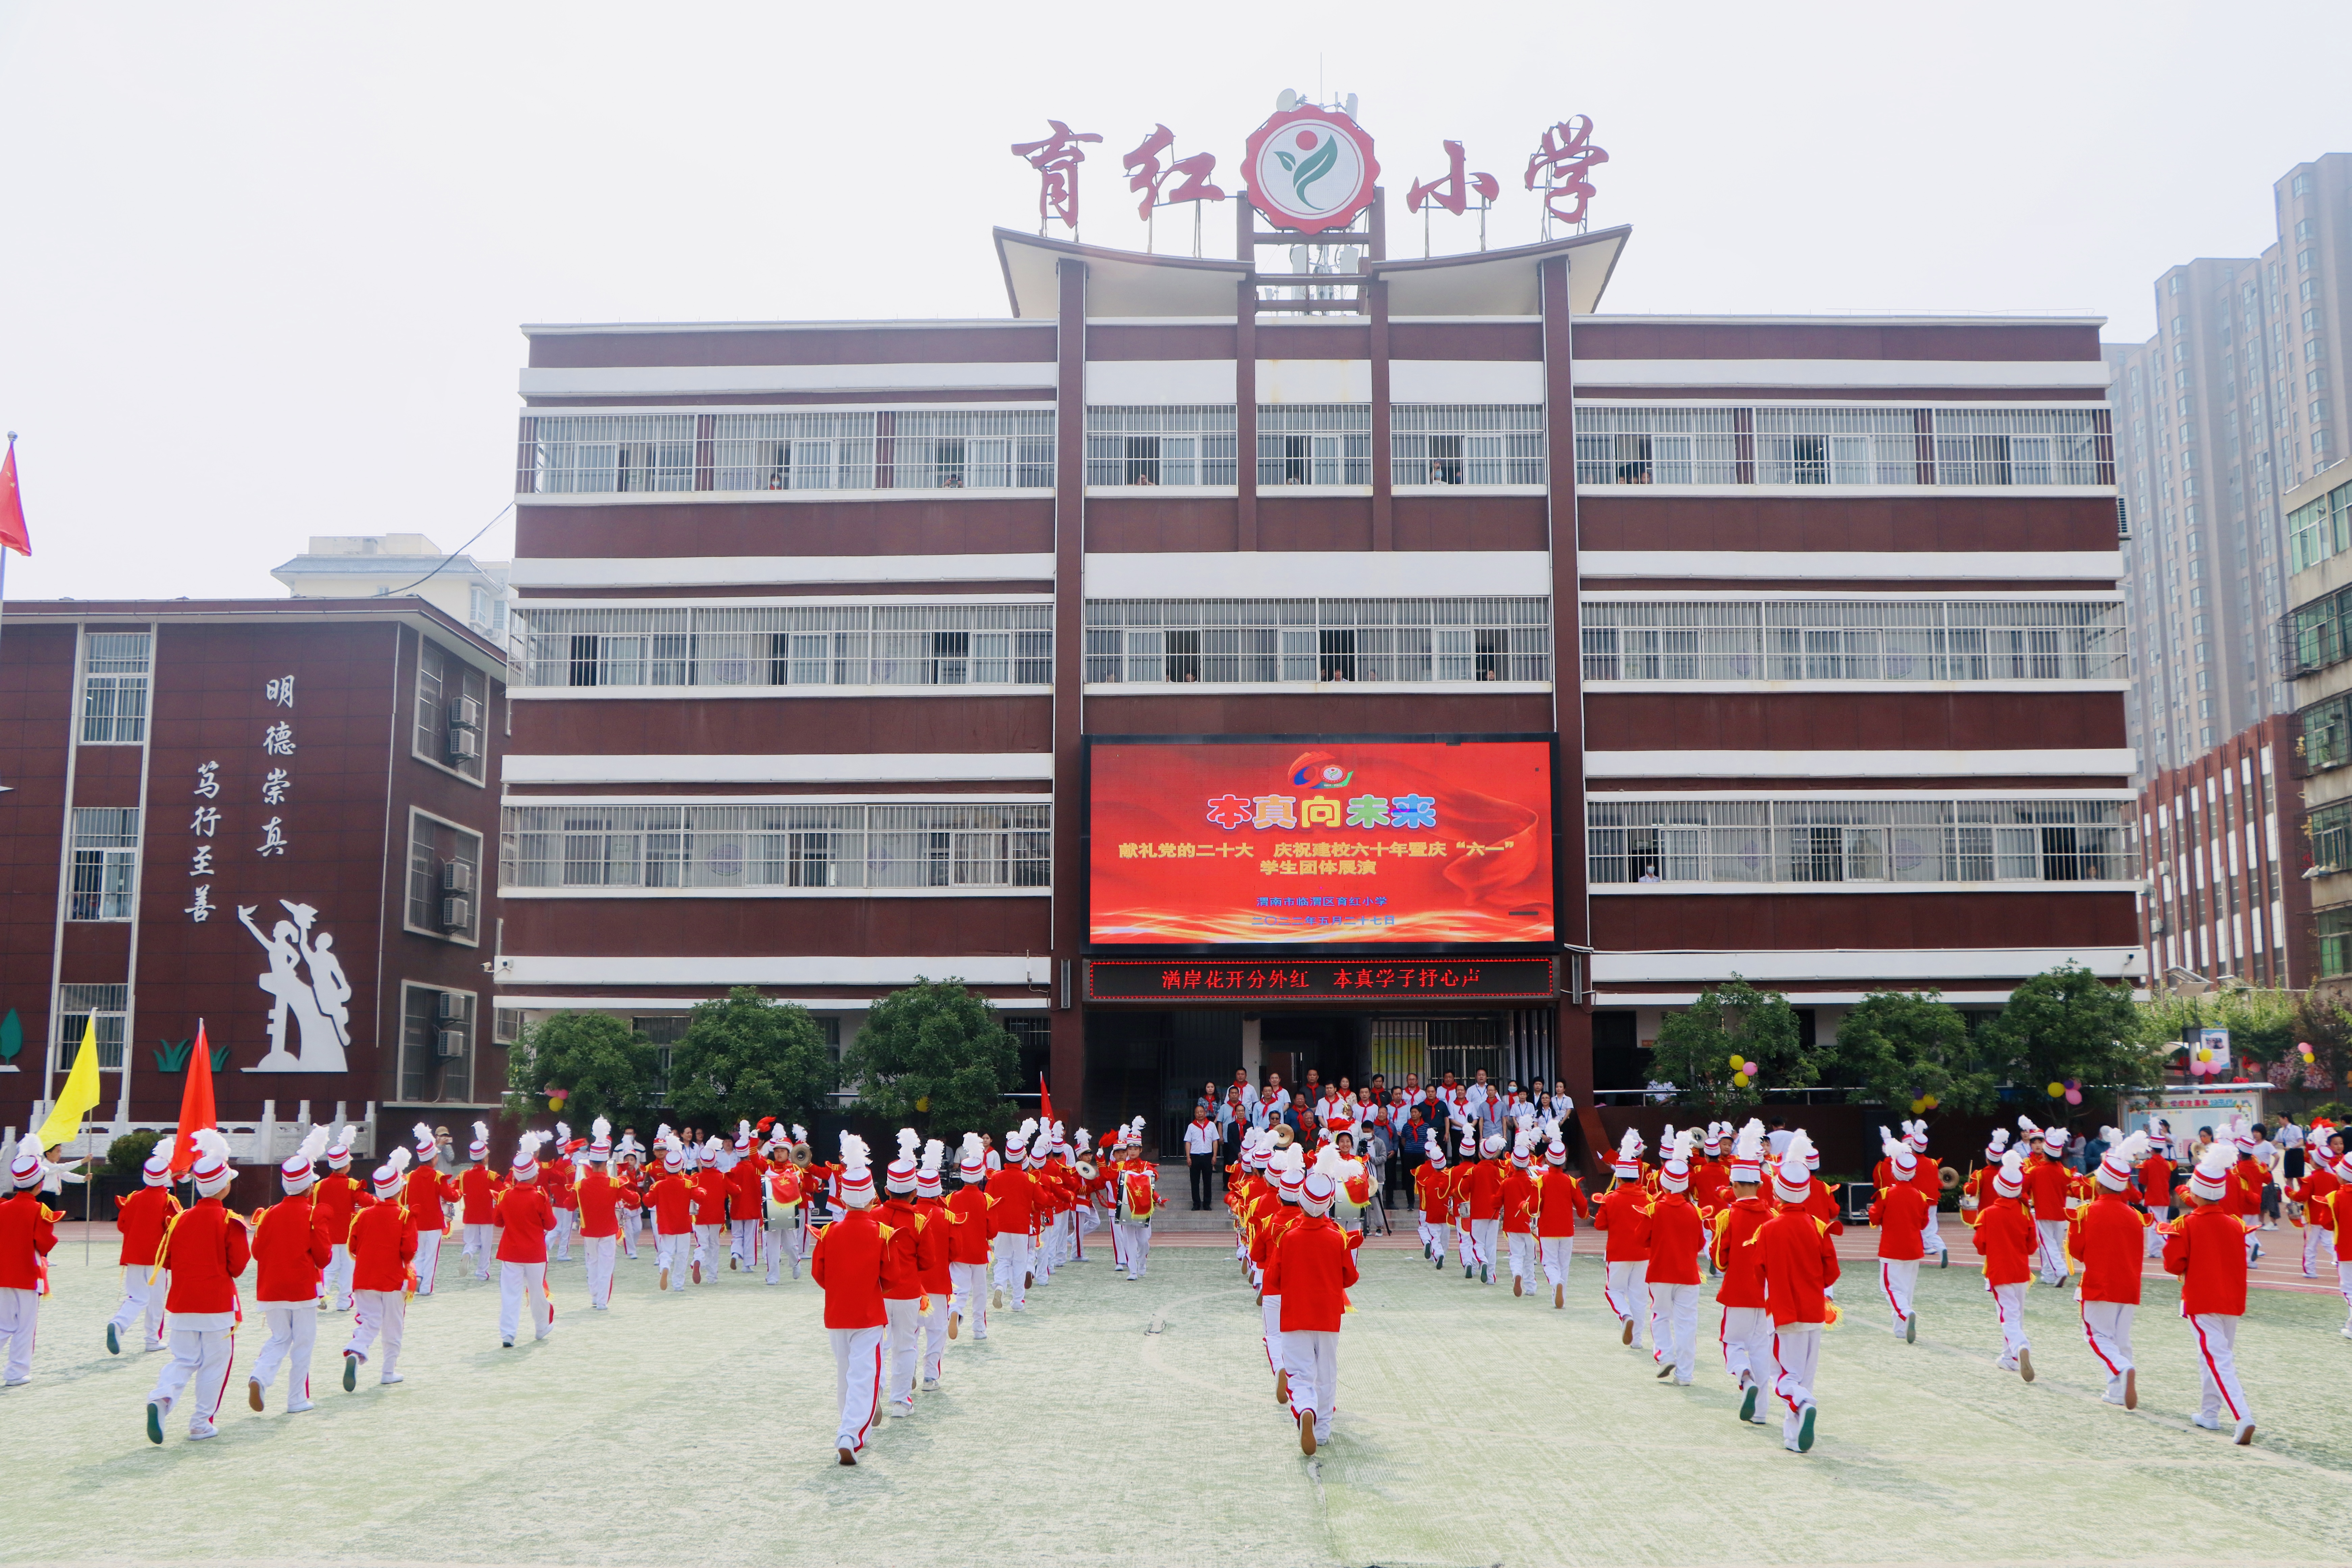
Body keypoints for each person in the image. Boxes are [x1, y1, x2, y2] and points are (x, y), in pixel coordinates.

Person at [144, 1130, 248, 1444]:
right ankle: (201, 1423)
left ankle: (162, 1397)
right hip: (217, 1304)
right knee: (215, 1364)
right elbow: (239, 1266)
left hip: (181, 1303)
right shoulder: (230, 1220)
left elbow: (167, 1259)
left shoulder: (180, 1219)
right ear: (225, 1186)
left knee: (183, 1360)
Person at [1269, 1151, 1361, 1456]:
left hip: (1295, 1314)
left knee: (1300, 1374)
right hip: (1328, 1316)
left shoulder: (1288, 1237)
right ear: (1329, 1203)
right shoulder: (1337, 1237)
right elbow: (1350, 1278)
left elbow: (1275, 1279)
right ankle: (1321, 1430)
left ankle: (1305, 1409)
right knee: (1327, 1372)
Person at [2166, 1142, 2257, 1443]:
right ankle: (2210, 1414)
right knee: (2213, 1357)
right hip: (2231, 1301)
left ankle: (2243, 1416)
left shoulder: (2187, 1223)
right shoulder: (2234, 1224)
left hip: (2202, 1300)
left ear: (2196, 1193)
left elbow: (2173, 1264)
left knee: (2218, 1360)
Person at [1756, 1131, 1839, 1454]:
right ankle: (1794, 1437)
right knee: (1805, 1375)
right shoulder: (1817, 1226)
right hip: (1814, 1312)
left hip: (1783, 1313)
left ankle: (1803, 1405)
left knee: (1783, 1377)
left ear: (1777, 1191)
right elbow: (1831, 1273)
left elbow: (1758, 1271)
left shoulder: (1768, 1229)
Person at [811, 1134, 886, 1465]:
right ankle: (850, 1433)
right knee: (864, 1376)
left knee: (845, 1373)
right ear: (871, 1196)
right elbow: (891, 1277)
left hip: (837, 1313)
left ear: (842, 1197)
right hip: (869, 1314)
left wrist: (840, 1289)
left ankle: (850, 1428)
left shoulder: (830, 1232)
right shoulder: (880, 1232)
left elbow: (819, 1273)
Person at [247, 1127, 333, 1414]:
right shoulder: (312, 1214)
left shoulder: (268, 1214)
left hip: (271, 1289)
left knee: (280, 1338)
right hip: (302, 1288)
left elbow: (257, 1253)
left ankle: (260, 1376)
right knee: (303, 1344)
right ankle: (296, 1399)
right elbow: (323, 1257)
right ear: (310, 1187)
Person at [2076, 1131, 2151, 1408]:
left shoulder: (2088, 1212)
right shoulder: (2135, 1215)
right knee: (2121, 1339)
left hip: (2099, 1283)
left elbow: (2077, 1251)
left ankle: (2121, 1368)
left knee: (2096, 1336)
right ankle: (2117, 1391)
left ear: (2099, 1185)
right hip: (2129, 1286)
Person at [1712, 1120, 1776, 1423]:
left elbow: (1720, 1261)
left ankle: (1744, 1376)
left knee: (1733, 1343)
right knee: (1762, 1349)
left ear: (1734, 1186)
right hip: (1766, 1295)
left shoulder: (1729, 1216)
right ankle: (1761, 1412)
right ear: (1760, 1186)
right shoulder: (1773, 1217)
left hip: (1737, 1291)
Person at [340, 1150, 419, 1391]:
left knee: (370, 1321)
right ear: (399, 1190)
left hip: (364, 1278)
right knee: (393, 1325)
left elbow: (353, 1247)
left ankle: (356, 1350)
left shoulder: (363, 1215)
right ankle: (388, 1372)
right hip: (393, 1279)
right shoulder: (405, 1216)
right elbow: (409, 1251)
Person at [877, 1131, 935, 1418]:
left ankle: (874, 1393)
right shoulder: (919, 1221)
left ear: (887, 1190)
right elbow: (928, 1261)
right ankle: (900, 1402)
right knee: (905, 1346)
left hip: (877, 1291)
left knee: (876, 1346)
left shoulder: (873, 1216)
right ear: (915, 1193)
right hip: (908, 1291)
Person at [1, 1135, 64, 1388]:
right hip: (28, 1275)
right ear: (40, 1185)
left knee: (4, 1325)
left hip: (3, 1275)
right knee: (25, 1327)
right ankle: (16, 1373)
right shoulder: (39, 1210)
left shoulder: (2, 1208)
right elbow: (45, 1244)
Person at [1646, 1132, 1707, 1384]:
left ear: (1663, 1182)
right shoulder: (1694, 1211)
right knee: (1687, 1324)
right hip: (1688, 1274)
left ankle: (1665, 1355)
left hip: (1660, 1271)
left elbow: (1641, 1238)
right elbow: (1701, 1244)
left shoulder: (1655, 1208)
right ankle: (1685, 1374)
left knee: (1661, 1315)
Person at [106, 1146, 178, 1356]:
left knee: (137, 1296)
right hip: (157, 1259)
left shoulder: (134, 1198)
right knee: (156, 1299)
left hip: (134, 1256)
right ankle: (152, 1339)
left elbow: (122, 1225)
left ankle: (119, 1323)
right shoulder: (169, 1201)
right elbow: (175, 1230)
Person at [1974, 1149, 2037, 1381]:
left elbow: (1980, 1245)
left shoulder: (1988, 1214)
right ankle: (2009, 1357)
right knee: (2016, 1315)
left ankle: (2020, 1346)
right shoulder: (2025, 1212)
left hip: (1999, 1272)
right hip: (2021, 1271)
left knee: (2008, 1317)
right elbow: (2032, 1246)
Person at [1867, 1127, 1930, 1342]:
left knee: (1891, 1289)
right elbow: (1924, 1223)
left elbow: (1875, 1217)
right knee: (1906, 1290)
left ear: (1894, 1172)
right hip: (1914, 1249)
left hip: (1891, 1249)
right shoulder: (1920, 1196)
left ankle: (1905, 1313)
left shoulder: (1886, 1194)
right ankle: (1901, 1329)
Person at [495, 1132, 556, 1348]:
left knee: (510, 1294)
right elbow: (551, 1224)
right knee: (537, 1291)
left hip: (511, 1252)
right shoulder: (539, 1197)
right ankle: (541, 1327)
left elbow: (498, 1221)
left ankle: (508, 1334)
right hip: (535, 1253)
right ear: (533, 1176)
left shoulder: (506, 1196)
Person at [1594, 1130, 1652, 1349]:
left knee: (1614, 1291)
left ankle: (1625, 1315)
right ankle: (1637, 1340)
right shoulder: (1648, 1197)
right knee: (1639, 1296)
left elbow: (1600, 1225)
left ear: (1618, 1178)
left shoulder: (1611, 1198)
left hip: (1618, 1252)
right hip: (1643, 1254)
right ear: (1637, 1177)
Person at [578, 1121, 639, 1310]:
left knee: (592, 1262)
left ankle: (595, 1296)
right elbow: (634, 1199)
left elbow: (569, 1204)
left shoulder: (581, 1185)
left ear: (591, 1163)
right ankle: (602, 1301)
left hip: (589, 1230)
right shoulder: (614, 1183)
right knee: (606, 1265)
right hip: (608, 1229)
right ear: (606, 1163)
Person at [401, 1121, 459, 1297]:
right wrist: (459, 1192)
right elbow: (451, 1196)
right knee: (431, 1255)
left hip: (417, 1221)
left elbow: (403, 1199)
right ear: (434, 1159)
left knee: (420, 1253)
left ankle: (417, 1277)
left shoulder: (411, 1176)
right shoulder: (437, 1176)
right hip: (434, 1222)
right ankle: (426, 1287)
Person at [945, 1133, 993, 1341]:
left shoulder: (952, 1198)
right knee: (980, 1292)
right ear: (981, 1176)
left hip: (959, 1251)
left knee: (960, 1288)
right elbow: (993, 1230)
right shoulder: (985, 1199)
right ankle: (979, 1329)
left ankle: (956, 1309)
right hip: (979, 1252)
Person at [988, 1121, 1039, 1312]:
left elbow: (988, 1200)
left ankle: (1000, 1286)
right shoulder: (1029, 1179)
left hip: (1001, 1226)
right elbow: (1042, 1201)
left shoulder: (996, 1177)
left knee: (1002, 1260)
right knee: (1019, 1262)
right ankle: (1018, 1301)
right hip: (1021, 1226)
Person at [313, 1125, 365, 1313]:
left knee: (329, 1267)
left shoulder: (320, 1185)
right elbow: (366, 1201)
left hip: (327, 1234)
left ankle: (322, 1294)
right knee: (348, 1270)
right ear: (347, 1165)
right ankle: (344, 1301)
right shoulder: (352, 1185)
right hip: (348, 1234)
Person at [2019, 1121, 2074, 1287]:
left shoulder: (2035, 1171)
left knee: (2048, 1245)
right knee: (2055, 1245)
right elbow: (2072, 1190)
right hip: (2061, 1213)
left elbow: (2023, 1189)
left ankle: (2060, 1270)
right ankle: (2049, 1275)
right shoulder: (2066, 1172)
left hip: (2043, 1212)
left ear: (2046, 1153)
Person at [648, 1133, 695, 1294]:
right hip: (683, 1224)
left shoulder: (659, 1186)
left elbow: (648, 1202)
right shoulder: (687, 1183)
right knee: (682, 1254)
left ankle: (665, 1266)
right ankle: (678, 1284)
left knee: (667, 1251)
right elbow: (701, 1196)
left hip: (666, 1224)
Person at [459, 1122, 502, 1281]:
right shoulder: (491, 1176)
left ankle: (468, 1253)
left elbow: (454, 1189)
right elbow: (501, 1193)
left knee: (471, 1242)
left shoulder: (463, 1175)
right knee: (486, 1246)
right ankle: (482, 1272)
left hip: (470, 1215)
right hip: (487, 1216)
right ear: (485, 1159)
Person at [1183, 1103, 1219, 1210]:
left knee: (1208, 1181)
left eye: (1201, 1112)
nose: (1200, 1114)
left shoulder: (1211, 1125)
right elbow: (1188, 1142)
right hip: (1195, 1156)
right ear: (1195, 1114)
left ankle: (1207, 1204)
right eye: (1197, 1112)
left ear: (1205, 1113)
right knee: (1195, 1182)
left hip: (1208, 1156)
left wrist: (1215, 1156)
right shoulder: (1191, 1126)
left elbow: (1215, 1141)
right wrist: (1188, 1157)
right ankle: (1196, 1204)